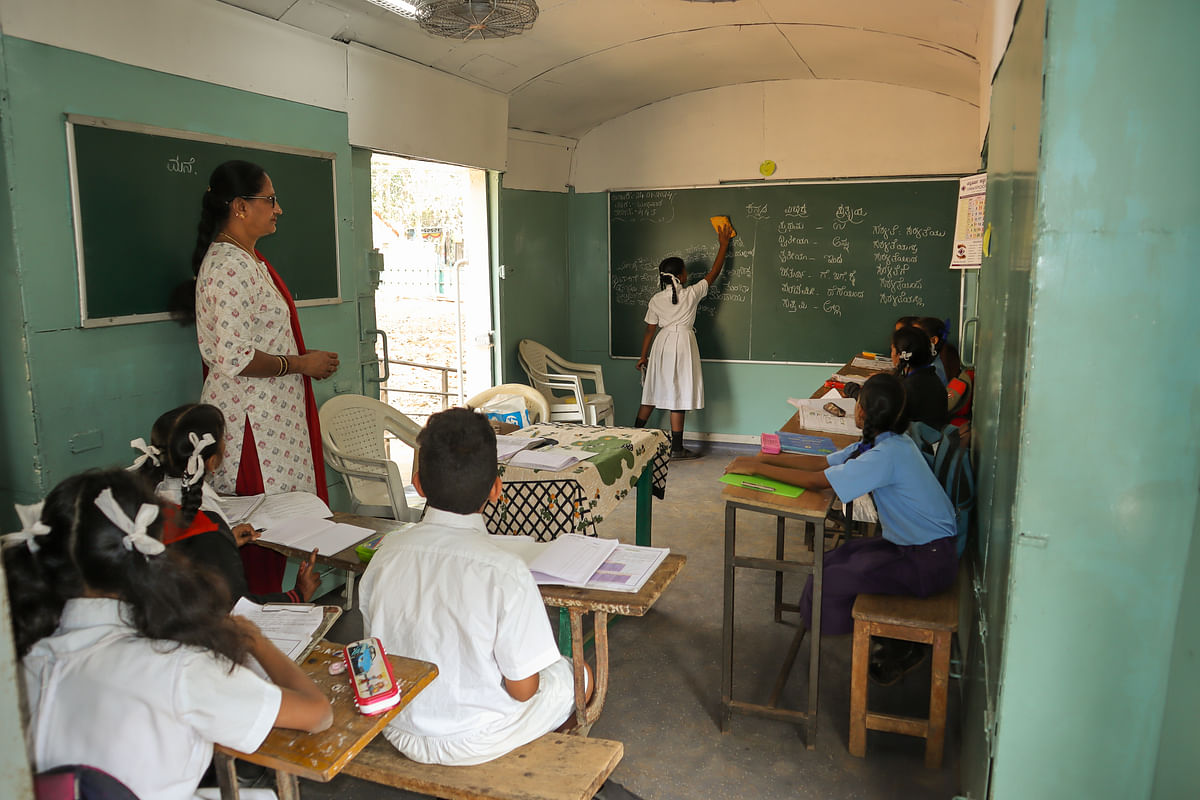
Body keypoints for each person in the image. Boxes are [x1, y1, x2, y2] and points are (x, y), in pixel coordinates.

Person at [3, 468, 331, 800]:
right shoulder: (179, 668)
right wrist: (254, 638)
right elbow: (318, 713)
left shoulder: (23, 662)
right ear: (150, 550)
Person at [358, 408, 583, 766]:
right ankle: (541, 769)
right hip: (476, 740)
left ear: (418, 484)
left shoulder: (385, 555)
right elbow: (523, 692)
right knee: (579, 674)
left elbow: (374, 653)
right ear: (496, 489)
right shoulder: (506, 571)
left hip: (397, 726)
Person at [724, 373, 958, 683]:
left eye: (858, 403)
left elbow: (817, 482)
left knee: (831, 578)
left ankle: (897, 640)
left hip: (927, 560)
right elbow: (822, 465)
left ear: (864, 412)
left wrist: (756, 469)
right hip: (918, 547)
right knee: (838, 555)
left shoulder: (884, 455)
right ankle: (891, 639)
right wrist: (765, 461)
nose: (855, 408)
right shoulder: (886, 441)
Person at [175, 159, 338, 500]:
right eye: (270, 200)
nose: (278, 209)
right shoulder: (228, 266)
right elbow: (238, 358)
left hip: (273, 418)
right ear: (240, 207)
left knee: (286, 524)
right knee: (263, 528)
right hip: (252, 422)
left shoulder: (247, 260)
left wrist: (300, 360)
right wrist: (300, 364)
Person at [132, 403, 319, 605]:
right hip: (194, 631)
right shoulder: (206, 526)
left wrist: (225, 539)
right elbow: (236, 610)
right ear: (212, 461)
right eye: (223, 439)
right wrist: (298, 594)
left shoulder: (140, 503)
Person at [632, 219, 735, 459]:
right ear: (680, 275)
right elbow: (715, 272)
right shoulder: (691, 293)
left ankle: (631, 439)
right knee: (677, 393)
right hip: (683, 344)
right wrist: (723, 245)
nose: (688, 273)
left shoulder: (657, 298)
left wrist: (643, 356)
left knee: (652, 390)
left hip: (661, 343)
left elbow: (649, 330)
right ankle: (676, 448)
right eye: (685, 270)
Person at [891, 324, 949, 429]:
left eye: (892, 349)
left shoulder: (907, 390)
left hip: (916, 444)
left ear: (899, 355)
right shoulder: (930, 377)